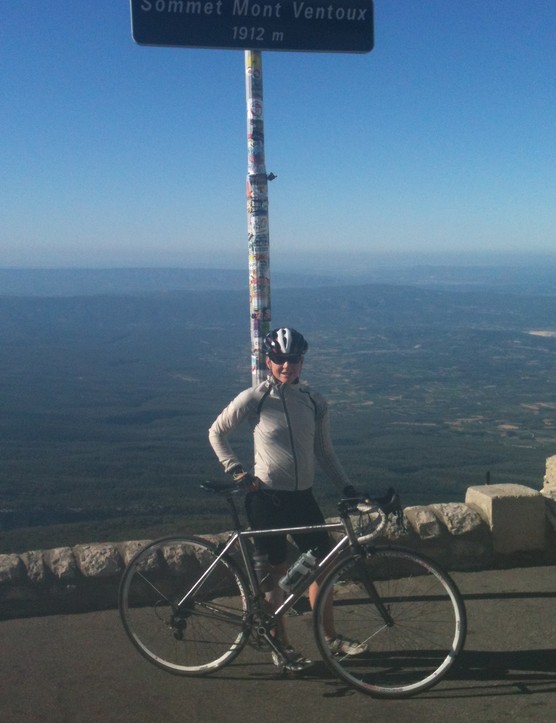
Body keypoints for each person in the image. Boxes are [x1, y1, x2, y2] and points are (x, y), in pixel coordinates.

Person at [208, 326, 367, 672]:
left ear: (301, 361)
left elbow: (325, 452)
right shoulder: (255, 398)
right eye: (280, 360)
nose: (287, 366)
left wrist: (348, 488)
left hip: (302, 497)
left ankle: (330, 639)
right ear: (269, 361)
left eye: (293, 359)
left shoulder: (313, 400)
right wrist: (236, 471)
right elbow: (217, 431)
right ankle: (279, 645)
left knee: (321, 568)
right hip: (266, 498)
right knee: (274, 573)